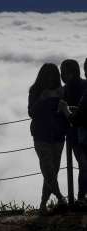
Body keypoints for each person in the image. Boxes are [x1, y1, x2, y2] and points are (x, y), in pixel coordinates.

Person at [28, 63, 68, 215]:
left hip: (58, 136)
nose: (51, 78)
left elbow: (66, 111)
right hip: (41, 136)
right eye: (48, 75)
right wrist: (42, 99)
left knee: (51, 172)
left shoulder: (61, 91)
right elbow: (31, 112)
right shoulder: (35, 91)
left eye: (53, 75)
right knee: (48, 170)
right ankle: (60, 198)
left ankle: (43, 205)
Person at [60, 59, 87, 204]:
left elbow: (63, 114)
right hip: (77, 133)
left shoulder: (64, 90)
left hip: (74, 134)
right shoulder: (85, 85)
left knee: (83, 166)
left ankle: (81, 198)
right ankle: (82, 197)